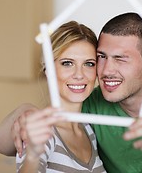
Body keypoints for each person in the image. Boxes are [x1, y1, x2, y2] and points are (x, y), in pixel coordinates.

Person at [0, 13, 142, 173]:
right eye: (101, 58)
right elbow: (6, 146)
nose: (106, 70)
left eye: (120, 59)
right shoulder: (91, 106)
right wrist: (26, 111)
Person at [12, 20, 106, 172]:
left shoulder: (89, 130)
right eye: (67, 63)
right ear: (48, 69)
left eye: (89, 64)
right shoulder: (43, 131)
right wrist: (32, 156)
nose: (79, 75)